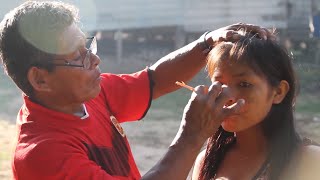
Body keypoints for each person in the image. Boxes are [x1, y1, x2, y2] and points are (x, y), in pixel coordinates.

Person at [0, 1, 273, 180]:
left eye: (88, 46)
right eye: (77, 56)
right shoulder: (44, 155)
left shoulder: (87, 94)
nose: (95, 60)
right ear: (41, 80)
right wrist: (192, 136)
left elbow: (153, 80)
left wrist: (207, 42)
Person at [192, 31, 320, 180]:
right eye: (219, 84)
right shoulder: (206, 162)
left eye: (244, 84)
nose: (227, 97)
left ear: (278, 92)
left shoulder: (310, 161)